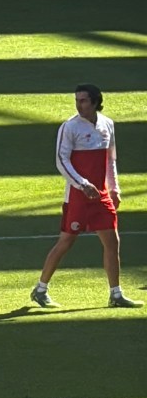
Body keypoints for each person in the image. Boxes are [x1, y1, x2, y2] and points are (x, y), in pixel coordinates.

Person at [30, 84, 143, 310]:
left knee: (112, 242)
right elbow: (62, 161)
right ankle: (40, 290)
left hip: (101, 196)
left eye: (83, 100)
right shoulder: (69, 127)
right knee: (66, 241)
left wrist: (114, 189)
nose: (78, 104)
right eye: (76, 100)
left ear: (95, 102)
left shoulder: (107, 125)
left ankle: (115, 294)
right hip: (78, 196)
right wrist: (82, 184)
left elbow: (110, 160)